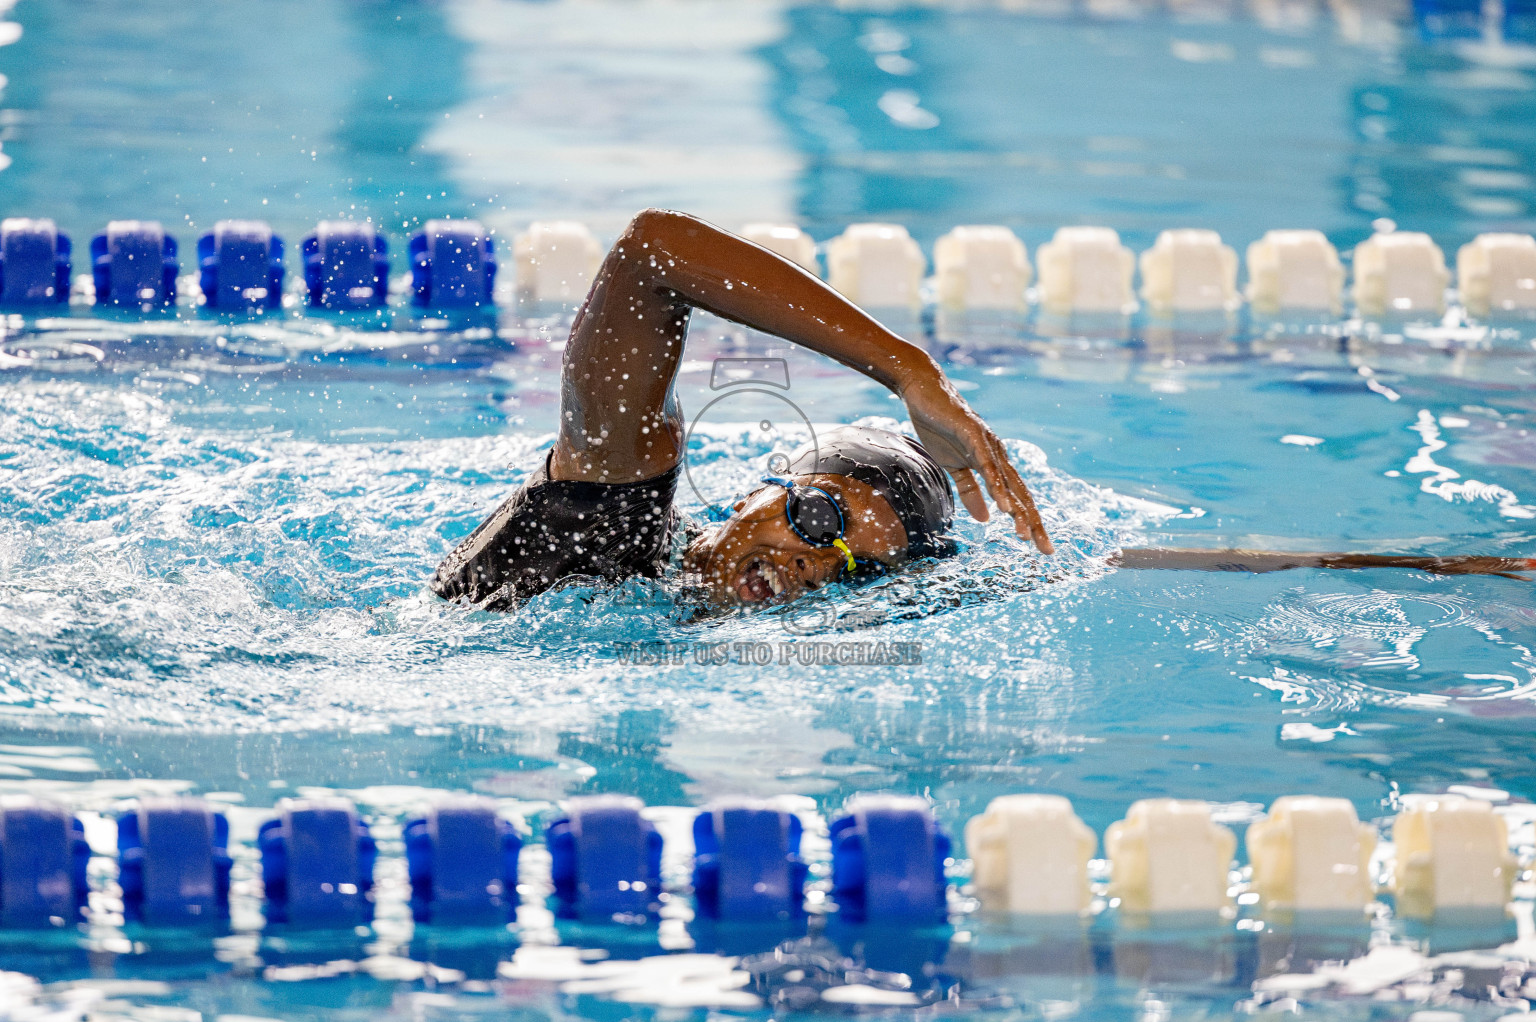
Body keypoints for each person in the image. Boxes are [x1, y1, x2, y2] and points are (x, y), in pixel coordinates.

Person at [430, 209, 1532, 612]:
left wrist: (1440, 568)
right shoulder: (607, 520)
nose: (815, 565)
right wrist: (911, 373)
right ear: (776, 483)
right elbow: (652, 253)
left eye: (850, 570)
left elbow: (1129, 563)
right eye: (818, 524)